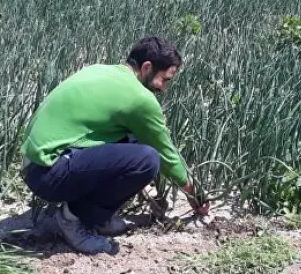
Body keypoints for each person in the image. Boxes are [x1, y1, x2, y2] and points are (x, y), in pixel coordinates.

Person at [20, 36, 209, 254]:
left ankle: (99, 216)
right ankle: (73, 219)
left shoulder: (100, 70)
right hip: (48, 173)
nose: (164, 88)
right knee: (147, 159)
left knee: (134, 141)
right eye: (164, 79)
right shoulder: (140, 99)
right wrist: (196, 195)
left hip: (33, 163)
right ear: (147, 67)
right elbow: (166, 155)